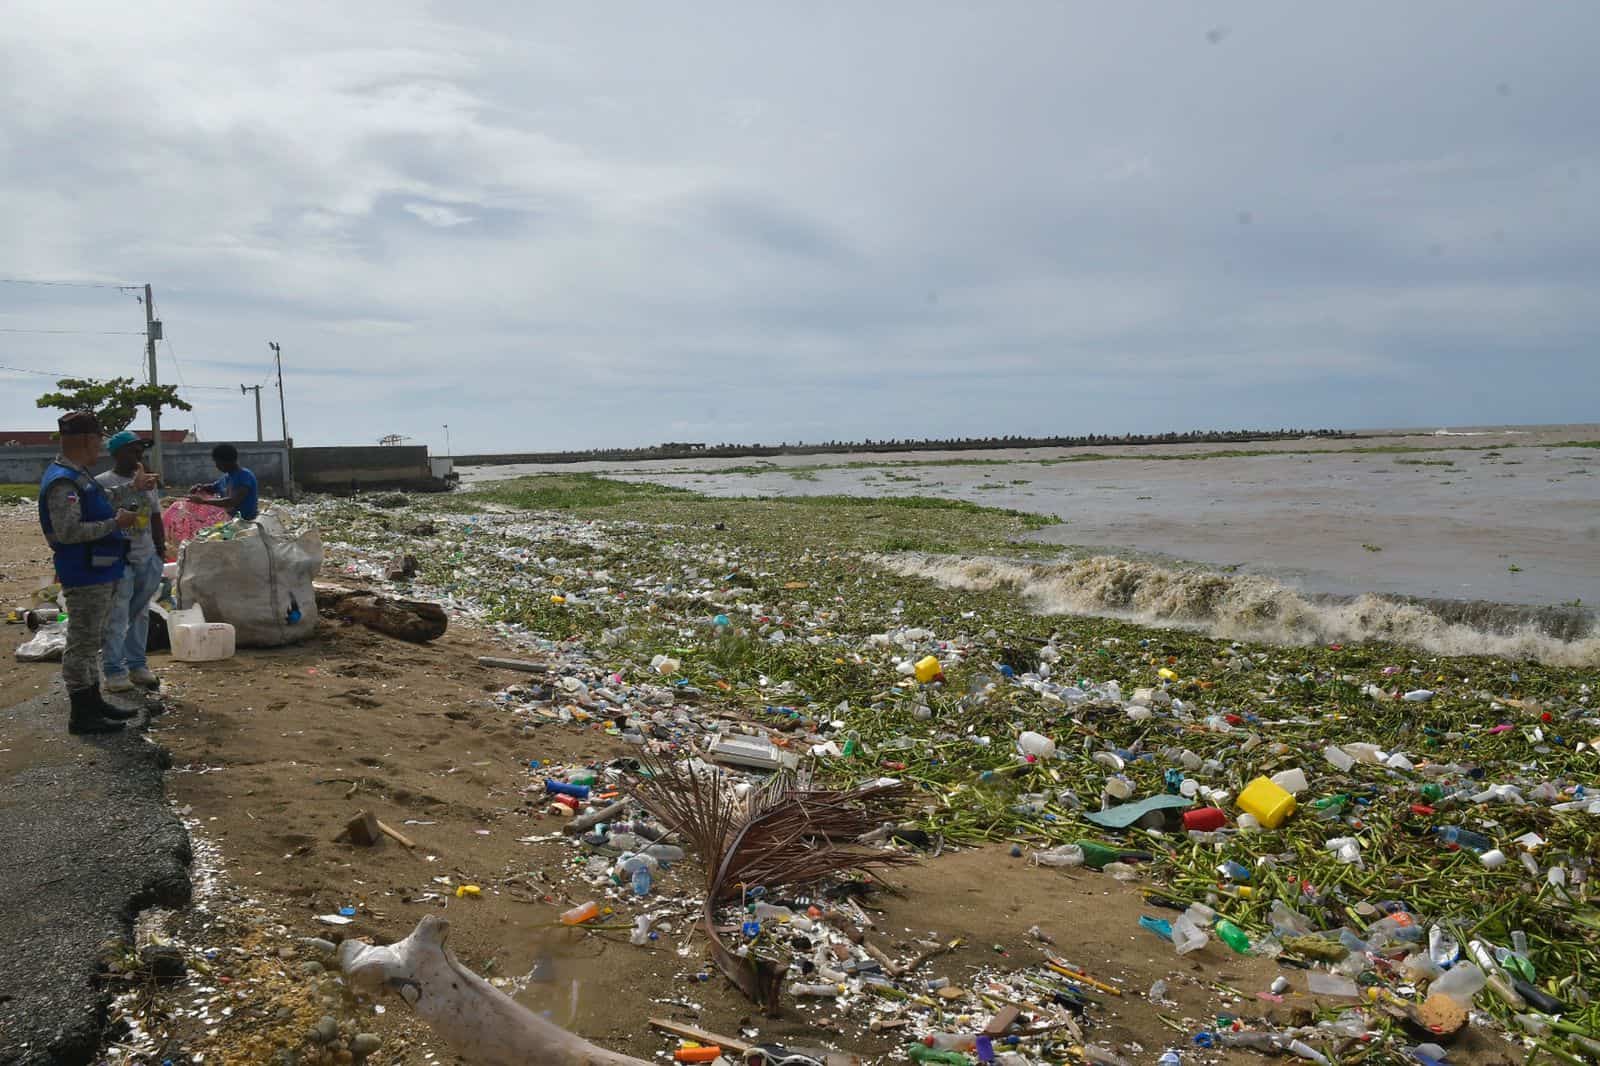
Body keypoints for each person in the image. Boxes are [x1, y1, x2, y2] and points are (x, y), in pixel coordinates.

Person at [37, 411, 140, 734]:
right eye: (99, 440)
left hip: (97, 569)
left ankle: (94, 703)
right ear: (86, 440)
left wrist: (130, 489)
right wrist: (115, 523)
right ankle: (82, 715)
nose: (102, 447)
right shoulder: (62, 480)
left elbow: (101, 499)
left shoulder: (78, 474)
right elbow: (68, 531)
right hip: (83, 572)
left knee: (91, 639)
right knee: (81, 642)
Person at [97, 430, 167, 692]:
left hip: (146, 555)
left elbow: (155, 516)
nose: (138, 456)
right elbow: (100, 514)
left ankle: (137, 665)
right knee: (117, 614)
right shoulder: (102, 483)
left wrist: (159, 551)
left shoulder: (148, 483)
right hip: (119, 558)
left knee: (140, 614)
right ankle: (114, 669)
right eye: (132, 450)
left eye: (140, 451)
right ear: (115, 454)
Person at [188, 443, 259, 520]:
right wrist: (200, 487)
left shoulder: (244, 476)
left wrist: (203, 501)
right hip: (231, 520)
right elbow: (212, 488)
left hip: (246, 521)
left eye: (217, 462)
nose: (216, 466)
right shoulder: (226, 477)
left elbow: (233, 501)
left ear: (227, 461)